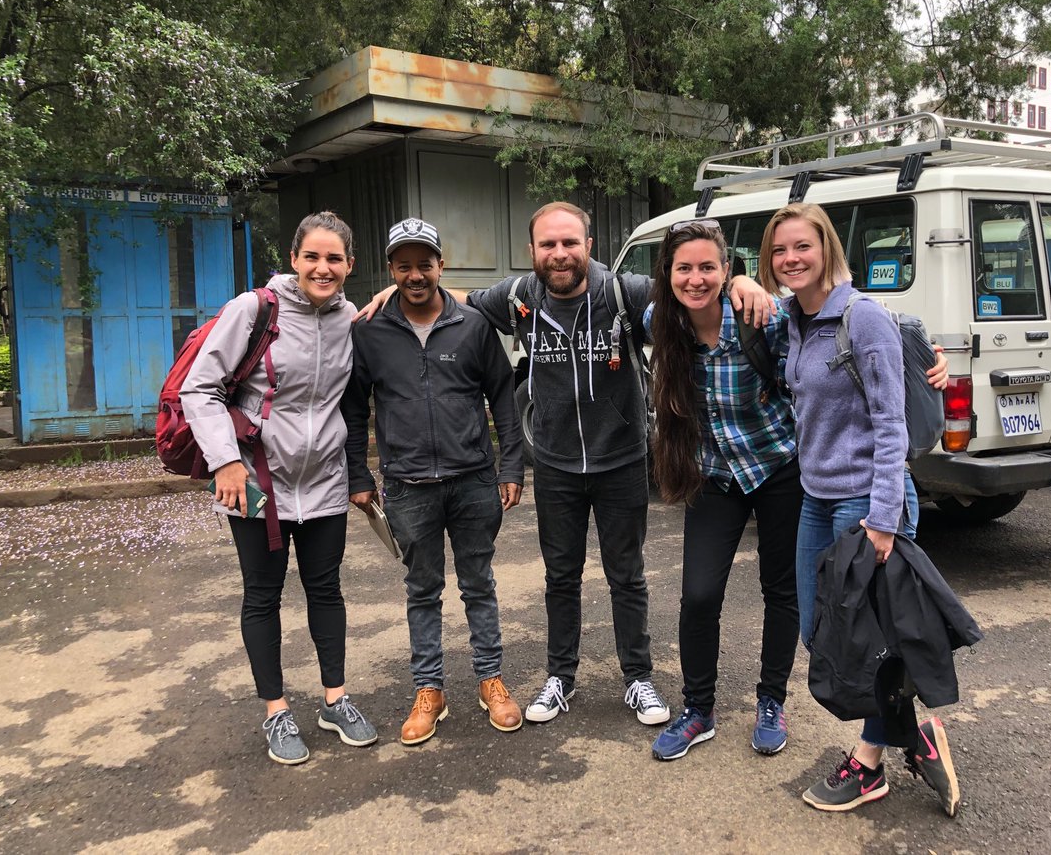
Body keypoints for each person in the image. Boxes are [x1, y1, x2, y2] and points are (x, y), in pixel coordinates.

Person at [359, 202, 774, 727]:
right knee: (561, 578)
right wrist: (394, 293)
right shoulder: (517, 296)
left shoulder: (624, 292)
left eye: (569, 243)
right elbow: (456, 298)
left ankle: (638, 678)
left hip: (621, 459)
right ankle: (560, 678)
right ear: (532, 250)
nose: (560, 254)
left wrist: (742, 283)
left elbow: (692, 287)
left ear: (588, 246)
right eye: (548, 244)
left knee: (627, 577)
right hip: (555, 465)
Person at [759, 202, 961, 815]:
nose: (791, 259)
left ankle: (869, 764)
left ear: (827, 247)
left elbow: (890, 421)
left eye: (803, 246)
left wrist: (882, 519)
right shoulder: (795, 318)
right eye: (779, 250)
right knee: (819, 632)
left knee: (870, 643)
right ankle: (913, 735)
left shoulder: (862, 316)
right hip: (816, 499)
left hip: (866, 502)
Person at [181, 211, 377, 765]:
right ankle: (276, 710)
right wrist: (225, 462)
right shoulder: (254, 309)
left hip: (324, 482)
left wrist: (390, 290)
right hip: (256, 480)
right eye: (311, 256)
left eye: (334, 258)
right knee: (262, 595)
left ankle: (335, 700)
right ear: (293, 259)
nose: (322, 268)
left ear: (349, 265)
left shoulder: (349, 320)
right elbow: (200, 388)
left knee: (326, 589)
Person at [341, 218, 526, 746]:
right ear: (391, 270)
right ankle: (429, 690)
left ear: (441, 266)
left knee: (478, 584)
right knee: (422, 590)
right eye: (404, 266)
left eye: (425, 264)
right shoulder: (370, 331)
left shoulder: (473, 325)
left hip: (473, 481)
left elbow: (503, 398)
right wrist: (359, 474)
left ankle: (490, 680)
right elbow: (354, 409)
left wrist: (511, 467)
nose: (415, 275)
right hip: (407, 486)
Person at [643, 219, 802, 761]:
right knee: (699, 595)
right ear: (668, 274)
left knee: (781, 590)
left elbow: (844, 322)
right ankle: (698, 710)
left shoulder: (762, 317)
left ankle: (771, 701)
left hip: (779, 469)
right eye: (684, 268)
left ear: (726, 269)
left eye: (708, 267)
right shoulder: (661, 322)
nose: (696, 279)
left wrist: (926, 352)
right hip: (714, 475)